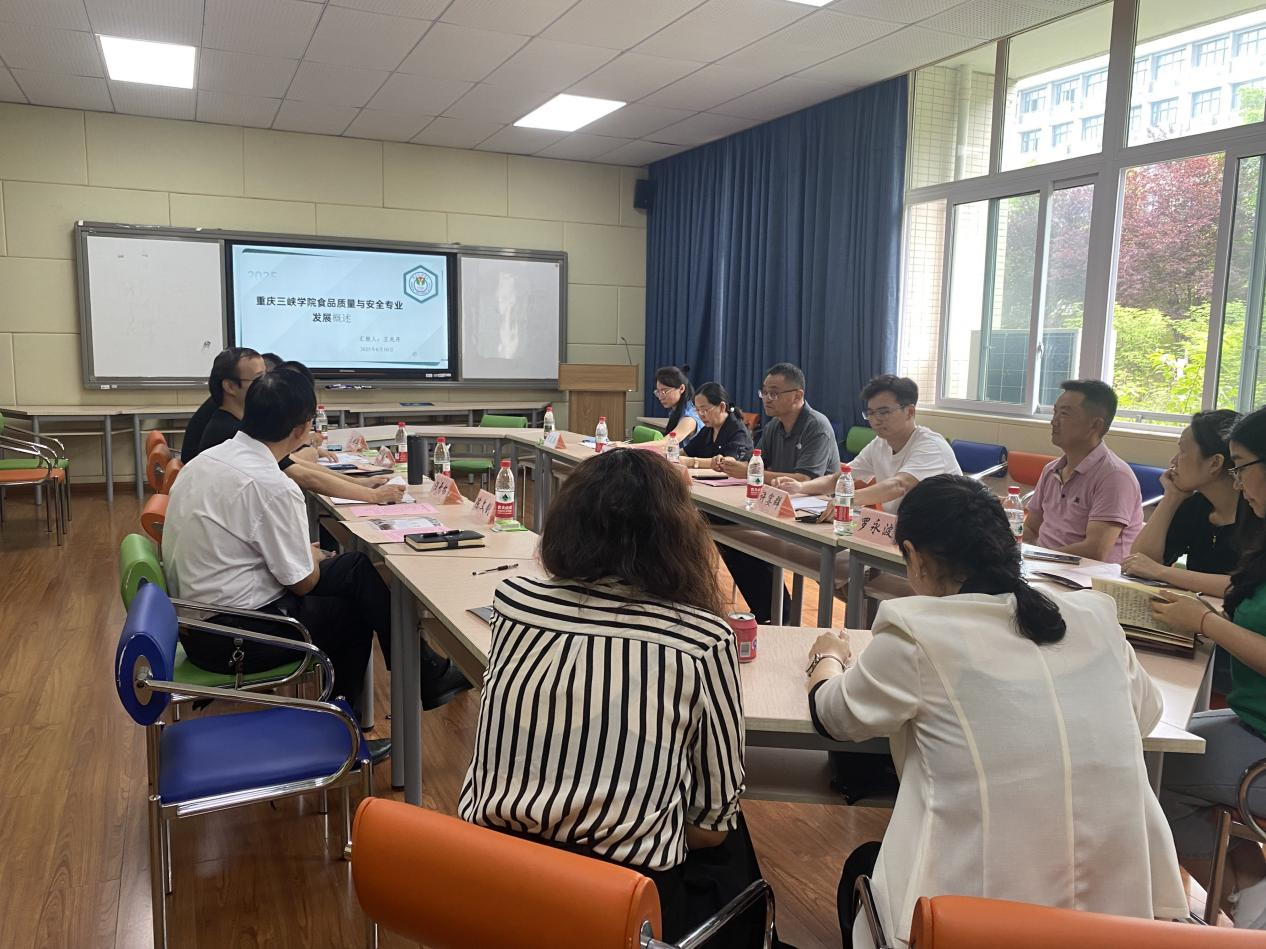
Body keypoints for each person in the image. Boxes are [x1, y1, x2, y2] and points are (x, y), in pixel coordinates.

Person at [807, 475, 1186, 948]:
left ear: (915, 557)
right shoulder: (1094, 615)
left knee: (861, 867)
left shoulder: (919, 630)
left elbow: (835, 717)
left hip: (973, 923)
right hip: (1119, 922)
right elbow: (1145, 716)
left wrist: (827, 658)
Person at [459, 449, 768, 946]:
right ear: (678, 539)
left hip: (495, 881)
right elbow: (711, 826)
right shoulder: (703, 639)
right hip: (620, 906)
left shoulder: (514, 603)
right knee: (730, 839)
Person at [162, 370, 470, 724]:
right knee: (353, 610)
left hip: (199, 624)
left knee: (356, 568)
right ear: (302, 428)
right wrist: (309, 554)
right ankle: (342, 729)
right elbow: (304, 583)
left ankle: (421, 674)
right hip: (234, 637)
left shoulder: (207, 460)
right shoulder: (271, 484)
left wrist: (305, 553)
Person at [1154, 407, 1266, 927]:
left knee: (1148, 773)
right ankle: (1251, 894)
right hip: (1251, 721)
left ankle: (1249, 902)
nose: (1238, 483)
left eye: (1242, 467)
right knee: (1156, 744)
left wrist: (1204, 622)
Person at [714, 363, 841, 624]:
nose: (767, 399)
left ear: (798, 395)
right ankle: (771, 612)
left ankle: (778, 614)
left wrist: (748, 471)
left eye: (774, 393)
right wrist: (737, 467)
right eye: (764, 392)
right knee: (724, 529)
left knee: (744, 539)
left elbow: (805, 480)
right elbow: (758, 465)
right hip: (779, 506)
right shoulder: (774, 426)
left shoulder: (816, 426)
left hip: (813, 512)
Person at [194, 360, 405, 505]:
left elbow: (294, 463)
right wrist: (372, 495)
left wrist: (360, 484)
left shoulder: (219, 452)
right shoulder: (276, 488)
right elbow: (305, 475)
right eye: (258, 377)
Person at [775, 375, 959, 515]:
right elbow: (839, 479)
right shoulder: (879, 444)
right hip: (904, 529)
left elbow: (899, 485)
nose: (875, 420)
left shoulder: (931, 446)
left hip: (946, 537)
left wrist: (847, 499)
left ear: (910, 412)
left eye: (883, 412)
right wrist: (801, 487)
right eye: (870, 413)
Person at [1123, 409, 1245, 596]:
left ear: (1214, 463)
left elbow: (1246, 586)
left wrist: (1162, 572)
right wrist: (1172, 497)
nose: (1173, 461)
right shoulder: (1197, 505)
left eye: (1182, 451)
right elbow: (1140, 562)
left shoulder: (1256, 511)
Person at [1023, 379, 1143, 563]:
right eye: (1055, 412)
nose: (1054, 421)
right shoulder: (1051, 470)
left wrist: (1038, 558)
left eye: (1064, 414)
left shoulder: (1114, 476)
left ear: (1095, 425)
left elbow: (1095, 551)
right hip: (1042, 567)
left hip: (1086, 575)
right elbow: (1031, 528)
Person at [181, 347, 266, 464]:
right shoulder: (230, 435)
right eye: (259, 379)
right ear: (230, 386)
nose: (268, 383)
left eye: (266, 376)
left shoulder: (232, 423)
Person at [682, 382, 753, 468]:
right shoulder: (707, 429)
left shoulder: (738, 432)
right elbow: (686, 452)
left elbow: (728, 463)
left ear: (722, 407)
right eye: (697, 410)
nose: (701, 415)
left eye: (704, 410)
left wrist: (691, 461)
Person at [654, 365, 702, 447]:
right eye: (658, 392)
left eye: (664, 391)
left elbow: (667, 442)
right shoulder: (676, 410)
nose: (660, 397)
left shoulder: (690, 417)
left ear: (681, 388)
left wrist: (632, 447)